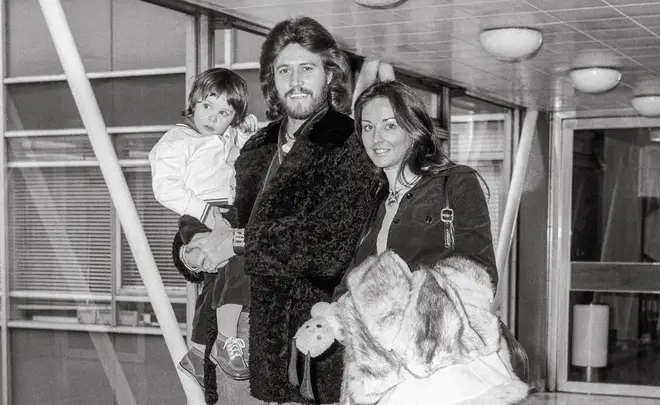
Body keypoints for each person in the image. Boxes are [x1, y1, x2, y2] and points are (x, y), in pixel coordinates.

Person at [171, 16, 382, 405]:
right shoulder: (258, 143)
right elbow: (226, 208)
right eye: (285, 70)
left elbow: (327, 243)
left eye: (307, 68)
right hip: (232, 334)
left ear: (329, 74)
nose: (296, 80)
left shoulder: (349, 142)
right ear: (272, 79)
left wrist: (233, 242)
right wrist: (191, 249)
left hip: (300, 345)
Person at [294, 80, 528, 404]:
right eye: (367, 127)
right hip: (380, 368)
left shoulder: (455, 182)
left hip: (441, 361)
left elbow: (479, 267)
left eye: (389, 125)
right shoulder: (370, 203)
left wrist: (414, 311)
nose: (376, 137)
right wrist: (330, 320)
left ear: (413, 129)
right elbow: (353, 282)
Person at [149, 67, 258, 385]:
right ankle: (224, 339)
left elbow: (244, 161)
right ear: (194, 102)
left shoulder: (225, 136)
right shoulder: (177, 140)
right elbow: (165, 188)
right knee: (233, 261)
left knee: (217, 284)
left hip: (227, 212)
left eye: (224, 112)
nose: (213, 116)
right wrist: (206, 213)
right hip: (199, 214)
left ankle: (197, 351)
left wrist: (247, 133)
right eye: (207, 105)